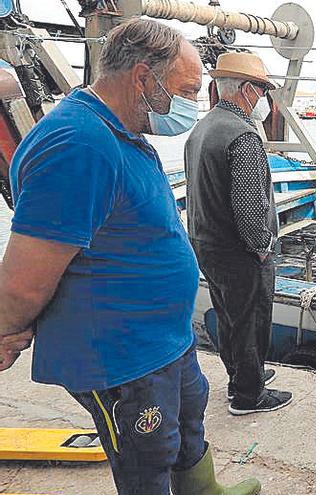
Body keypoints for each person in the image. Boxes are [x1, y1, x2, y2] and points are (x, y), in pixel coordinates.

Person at [0, 19, 260, 494]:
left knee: (189, 422)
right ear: (143, 77)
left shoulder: (121, 131)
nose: (191, 105)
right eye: (185, 90)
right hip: (122, 354)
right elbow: (23, 282)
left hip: (165, 339)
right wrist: (6, 332)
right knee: (148, 455)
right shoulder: (78, 144)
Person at [186, 52, 292, 416]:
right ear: (247, 90)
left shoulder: (202, 128)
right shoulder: (243, 135)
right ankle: (249, 395)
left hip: (206, 244)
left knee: (228, 314)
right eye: (262, 91)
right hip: (238, 250)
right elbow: (248, 207)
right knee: (251, 319)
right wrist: (262, 246)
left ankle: (243, 374)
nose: (263, 100)